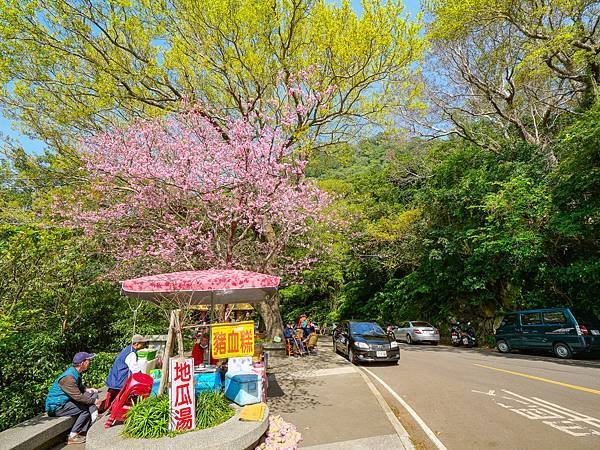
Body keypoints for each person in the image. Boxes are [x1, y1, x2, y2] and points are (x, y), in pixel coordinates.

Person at [45, 352, 101, 445]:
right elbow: (78, 397)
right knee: (85, 409)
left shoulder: (74, 372)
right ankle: (72, 436)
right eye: (88, 360)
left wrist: (87, 389)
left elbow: (78, 388)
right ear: (83, 363)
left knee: (92, 394)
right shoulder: (68, 378)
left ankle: (86, 426)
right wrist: (94, 401)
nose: (90, 362)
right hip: (57, 407)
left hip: (66, 401)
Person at [104, 334, 147, 409]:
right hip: (119, 380)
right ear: (136, 344)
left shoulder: (127, 349)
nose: (143, 345)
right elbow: (135, 370)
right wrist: (143, 379)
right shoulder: (131, 353)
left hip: (113, 378)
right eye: (142, 344)